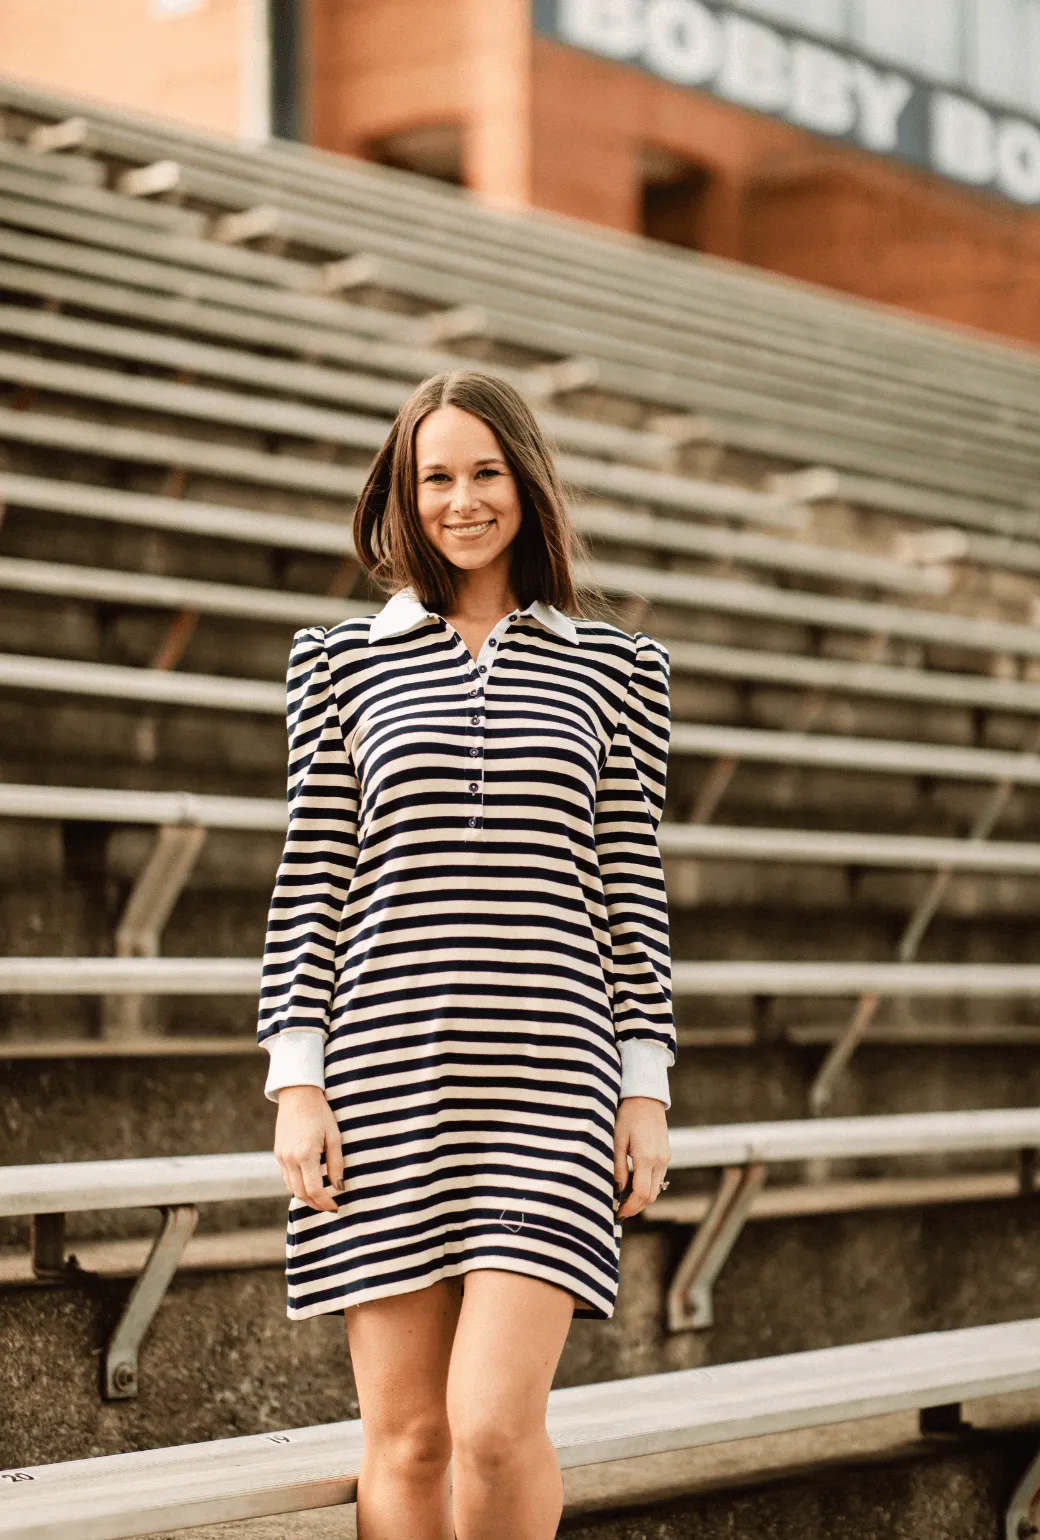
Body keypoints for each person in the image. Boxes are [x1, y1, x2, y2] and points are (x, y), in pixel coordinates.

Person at [257, 370, 675, 1540]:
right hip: (383, 1079)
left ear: (526, 483)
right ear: (403, 495)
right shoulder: (337, 664)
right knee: (408, 1438)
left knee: (493, 1427)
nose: (460, 499)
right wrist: (297, 1080)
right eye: (434, 476)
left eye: (483, 471)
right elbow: (313, 881)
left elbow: (629, 897)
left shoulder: (616, 669)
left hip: (551, 1085)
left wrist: (644, 1091)